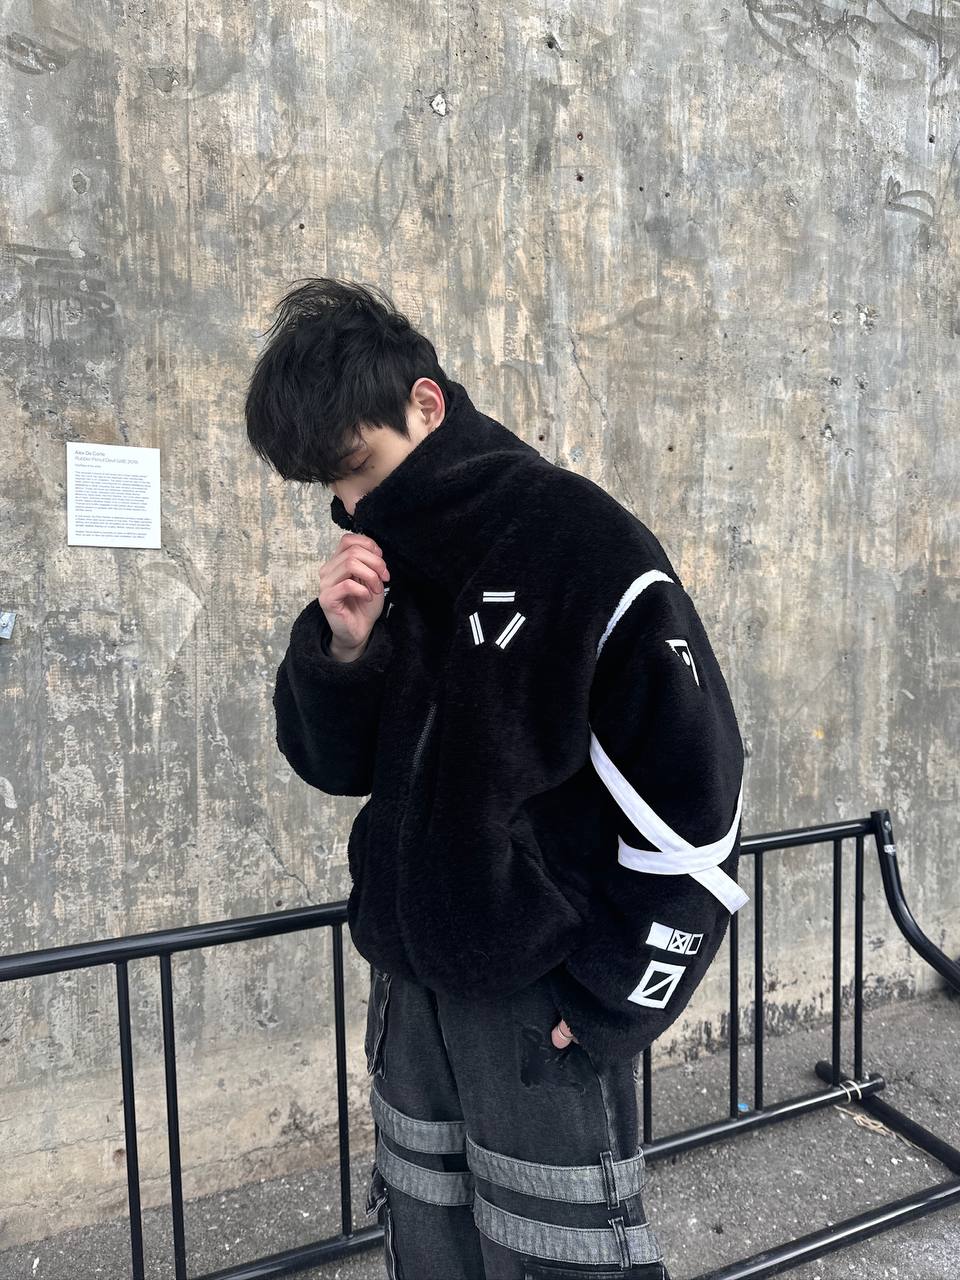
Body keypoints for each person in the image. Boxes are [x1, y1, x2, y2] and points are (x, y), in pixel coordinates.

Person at [246, 278, 748, 1280]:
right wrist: (342, 649)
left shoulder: (579, 539)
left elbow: (699, 791)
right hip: (409, 985)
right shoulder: (387, 562)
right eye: (331, 485)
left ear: (426, 404)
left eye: (360, 466)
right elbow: (336, 766)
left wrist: (614, 997)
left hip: (536, 995)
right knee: (428, 1241)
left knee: (560, 1257)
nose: (354, 504)